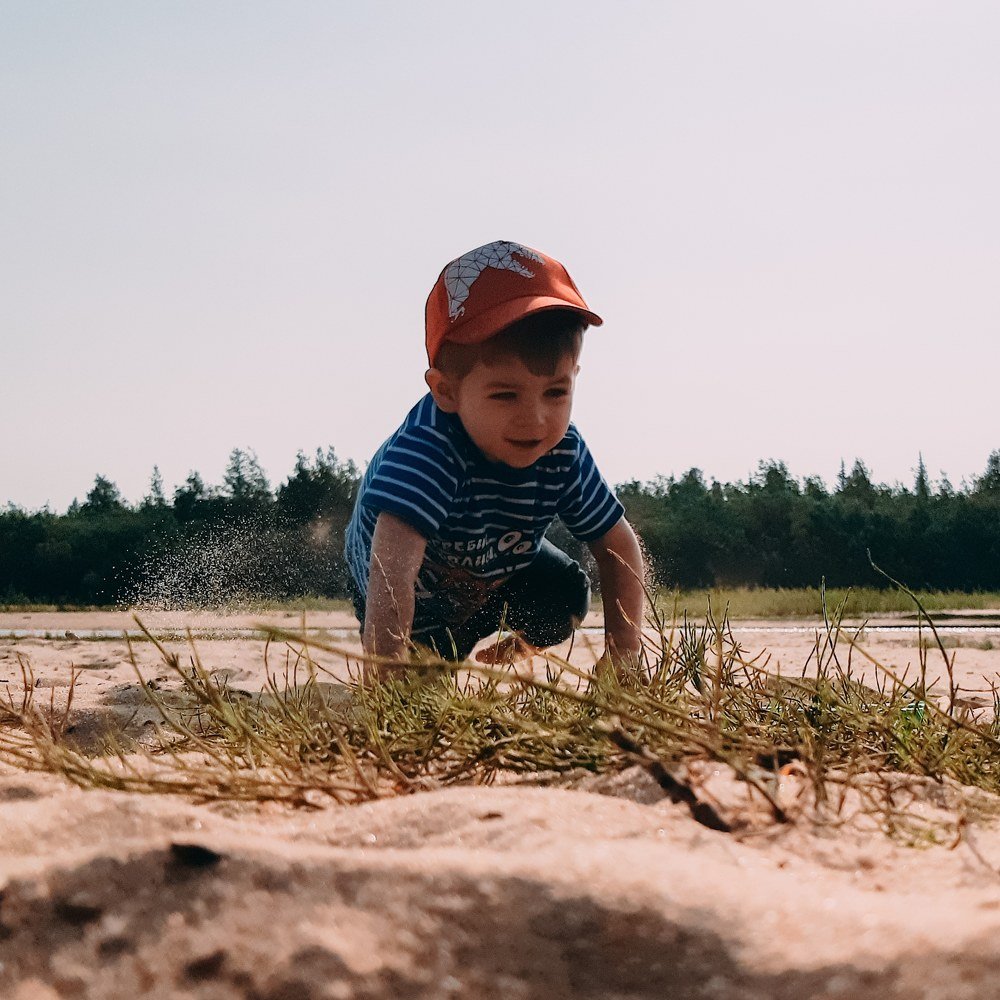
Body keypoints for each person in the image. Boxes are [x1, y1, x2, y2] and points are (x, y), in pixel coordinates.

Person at [345, 240, 645, 680]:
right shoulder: (428, 450)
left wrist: (624, 653)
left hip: (494, 574)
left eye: (556, 392)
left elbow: (618, 548)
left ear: (575, 378)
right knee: (421, 684)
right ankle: (442, 658)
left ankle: (496, 646)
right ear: (446, 391)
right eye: (505, 395)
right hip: (411, 591)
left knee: (565, 596)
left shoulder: (563, 451)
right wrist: (386, 676)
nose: (535, 419)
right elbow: (390, 574)